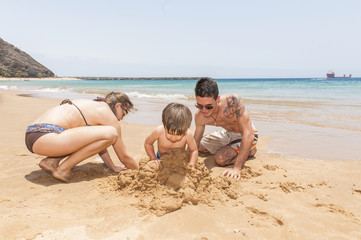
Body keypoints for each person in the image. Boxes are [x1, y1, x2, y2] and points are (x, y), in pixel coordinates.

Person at [25, 92, 139, 183]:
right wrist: (140, 172)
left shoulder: (92, 105)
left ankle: (51, 162)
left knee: (106, 134)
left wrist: (113, 167)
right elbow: (123, 156)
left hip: (34, 135)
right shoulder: (106, 113)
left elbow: (99, 145)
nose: (122, 118)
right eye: (124, 113)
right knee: (112, 133)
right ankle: (62, 170)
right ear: (118, 105)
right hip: (47, 136)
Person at [194, 77, 258, 179]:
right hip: (226, 134)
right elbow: (195, 143)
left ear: (218, 99)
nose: (204, 110)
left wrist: (237, 168)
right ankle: (232, 148)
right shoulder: (199, 116)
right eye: (200, 106)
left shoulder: (233, 102)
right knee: (201, 147)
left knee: (220, 159)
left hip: (246, 134)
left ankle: (250, 151)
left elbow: (248, 134)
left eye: (209, 106)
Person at [144, 102, 198, 168]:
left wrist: (192, 164)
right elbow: (148, 143)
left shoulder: (187, 134)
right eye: (170, 133)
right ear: (164, 125)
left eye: (179, 134)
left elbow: (194, 150)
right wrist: (153, 158)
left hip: (179, 159)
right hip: (161, 157)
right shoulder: (159, 131)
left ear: (186, 128)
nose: (174, 138)